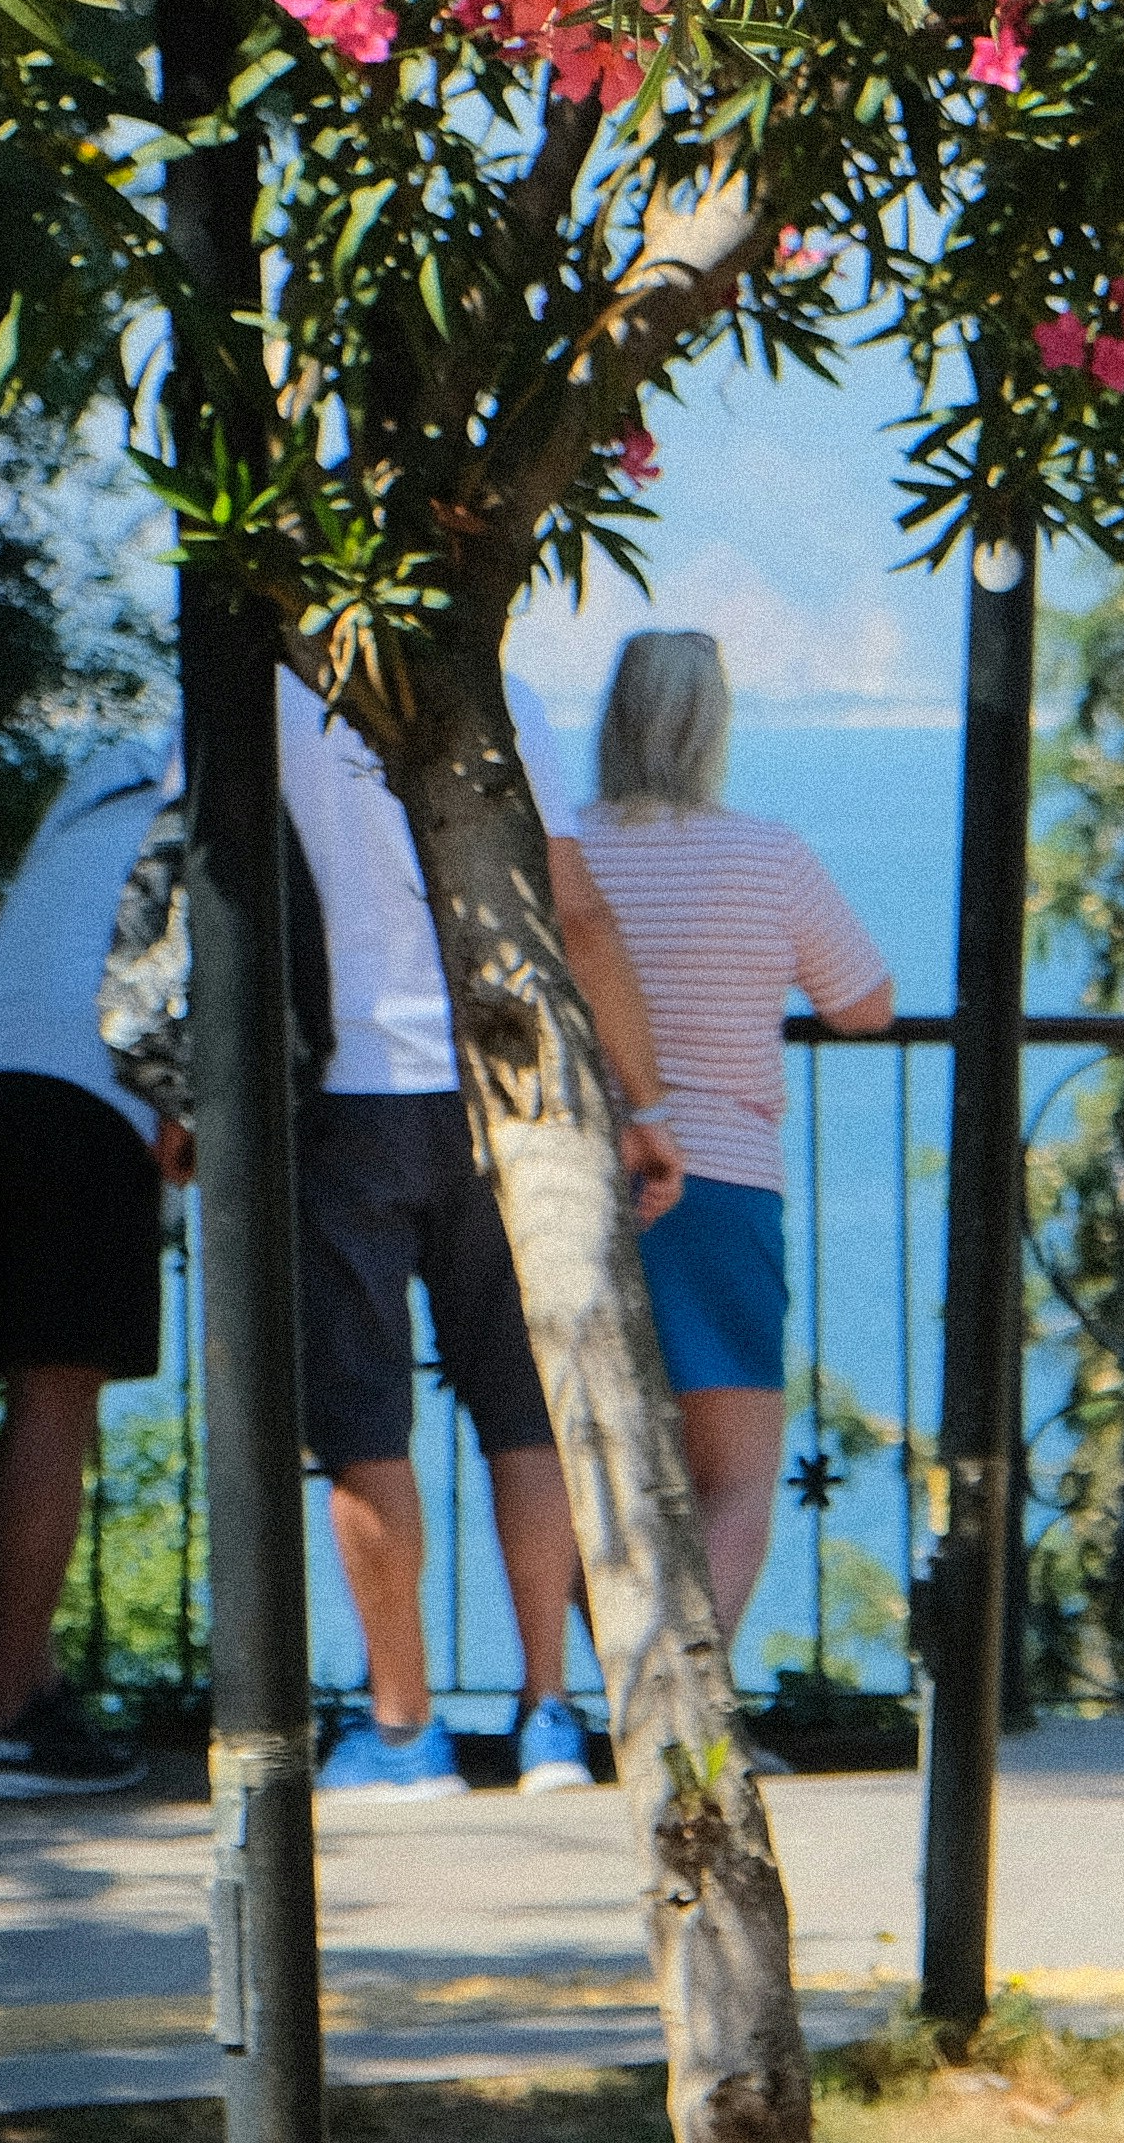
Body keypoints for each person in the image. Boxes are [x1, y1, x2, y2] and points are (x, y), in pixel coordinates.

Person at [285, 683, 685, 1803]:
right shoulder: (495, 685)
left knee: (363, 1420)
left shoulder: (257, 687)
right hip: (498, 1086)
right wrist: (645, 1104)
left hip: (342, 1089)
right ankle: (549, 1714)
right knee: (525, 1411)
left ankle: (404, 1729)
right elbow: (576, 908)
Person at [552, 629, 895, 1645]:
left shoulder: (563, 849)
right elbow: (866, 1004)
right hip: (724, 1186)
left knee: (584, 1471)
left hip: (576, 1179)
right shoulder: (766, 854)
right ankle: (693, 1703)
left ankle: (625, 1685)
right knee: (736, 1477)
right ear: (715, 727)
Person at [0, 732, 180, 1800]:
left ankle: (37, 1688)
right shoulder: (247, 789)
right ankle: (2, 1721)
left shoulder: (106, 770)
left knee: (35, 1401)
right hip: (86, 1090)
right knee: (53, 1403)